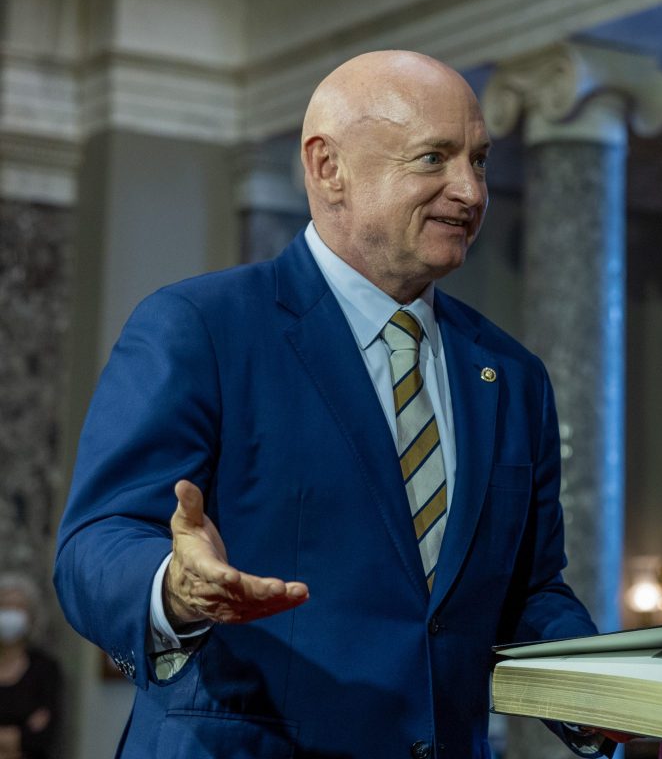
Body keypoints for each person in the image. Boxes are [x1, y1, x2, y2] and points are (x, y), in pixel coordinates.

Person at [54, 51, 612, 758]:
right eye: (433, 158)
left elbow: (530, 593)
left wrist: (603, 690)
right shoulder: (202, 327)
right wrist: (174, 589)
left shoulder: (511, 375)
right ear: (327, 167)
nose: (470, 191)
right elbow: (94, 545)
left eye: (479, 160)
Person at [0, 573, 60, 759]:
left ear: (32, 616)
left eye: (18, 607)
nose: (11, 612)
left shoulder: (45, 669)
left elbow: (43, 737)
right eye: (5, 605)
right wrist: (19, 735)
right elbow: (30, 734)